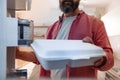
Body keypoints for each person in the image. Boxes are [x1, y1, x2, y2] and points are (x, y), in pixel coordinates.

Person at [16, 0, 114, 79]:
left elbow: (110, 59)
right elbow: (41, 57)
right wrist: (17, 54)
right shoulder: (51, 28)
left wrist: (99, 57)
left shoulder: (96, 24)